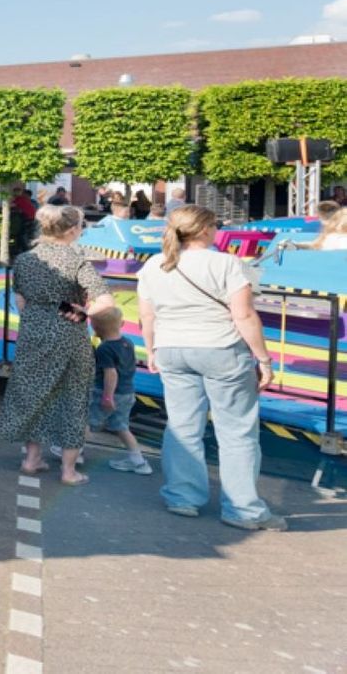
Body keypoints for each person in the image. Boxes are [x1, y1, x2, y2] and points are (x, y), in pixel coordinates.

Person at [137, 205, 283, 530]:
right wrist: (263, 359)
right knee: (237, 431)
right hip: (220, 349)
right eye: (215, 225)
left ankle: (182, 496)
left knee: (182, 426)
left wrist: (151, 350)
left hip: (172, 348)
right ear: (204, 230)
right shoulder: (227, 263)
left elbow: (147, 316)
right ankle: (243, 509)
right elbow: (243, 316)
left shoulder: (153, 266)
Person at [0, 205, 118, 485]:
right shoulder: (76, 259)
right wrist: (81, 312)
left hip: (32, 331)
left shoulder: (26, 259)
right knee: (73, 397)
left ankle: (31, 459)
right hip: (68, 333)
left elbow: (21, 300)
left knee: (33, 392)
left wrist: (38, 316)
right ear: (73, 230)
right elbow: (105, 301)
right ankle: (68, 470)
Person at [90, 307, 150, 474]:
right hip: (127, 392)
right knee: (121, 426)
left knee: (86, 421)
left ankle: (72, 451)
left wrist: (107, 397)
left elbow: (111, 373)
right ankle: (138, 461)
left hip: (108, 392)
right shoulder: (128, 342)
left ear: (96, 330)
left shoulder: (104, 349)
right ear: (122, 323)